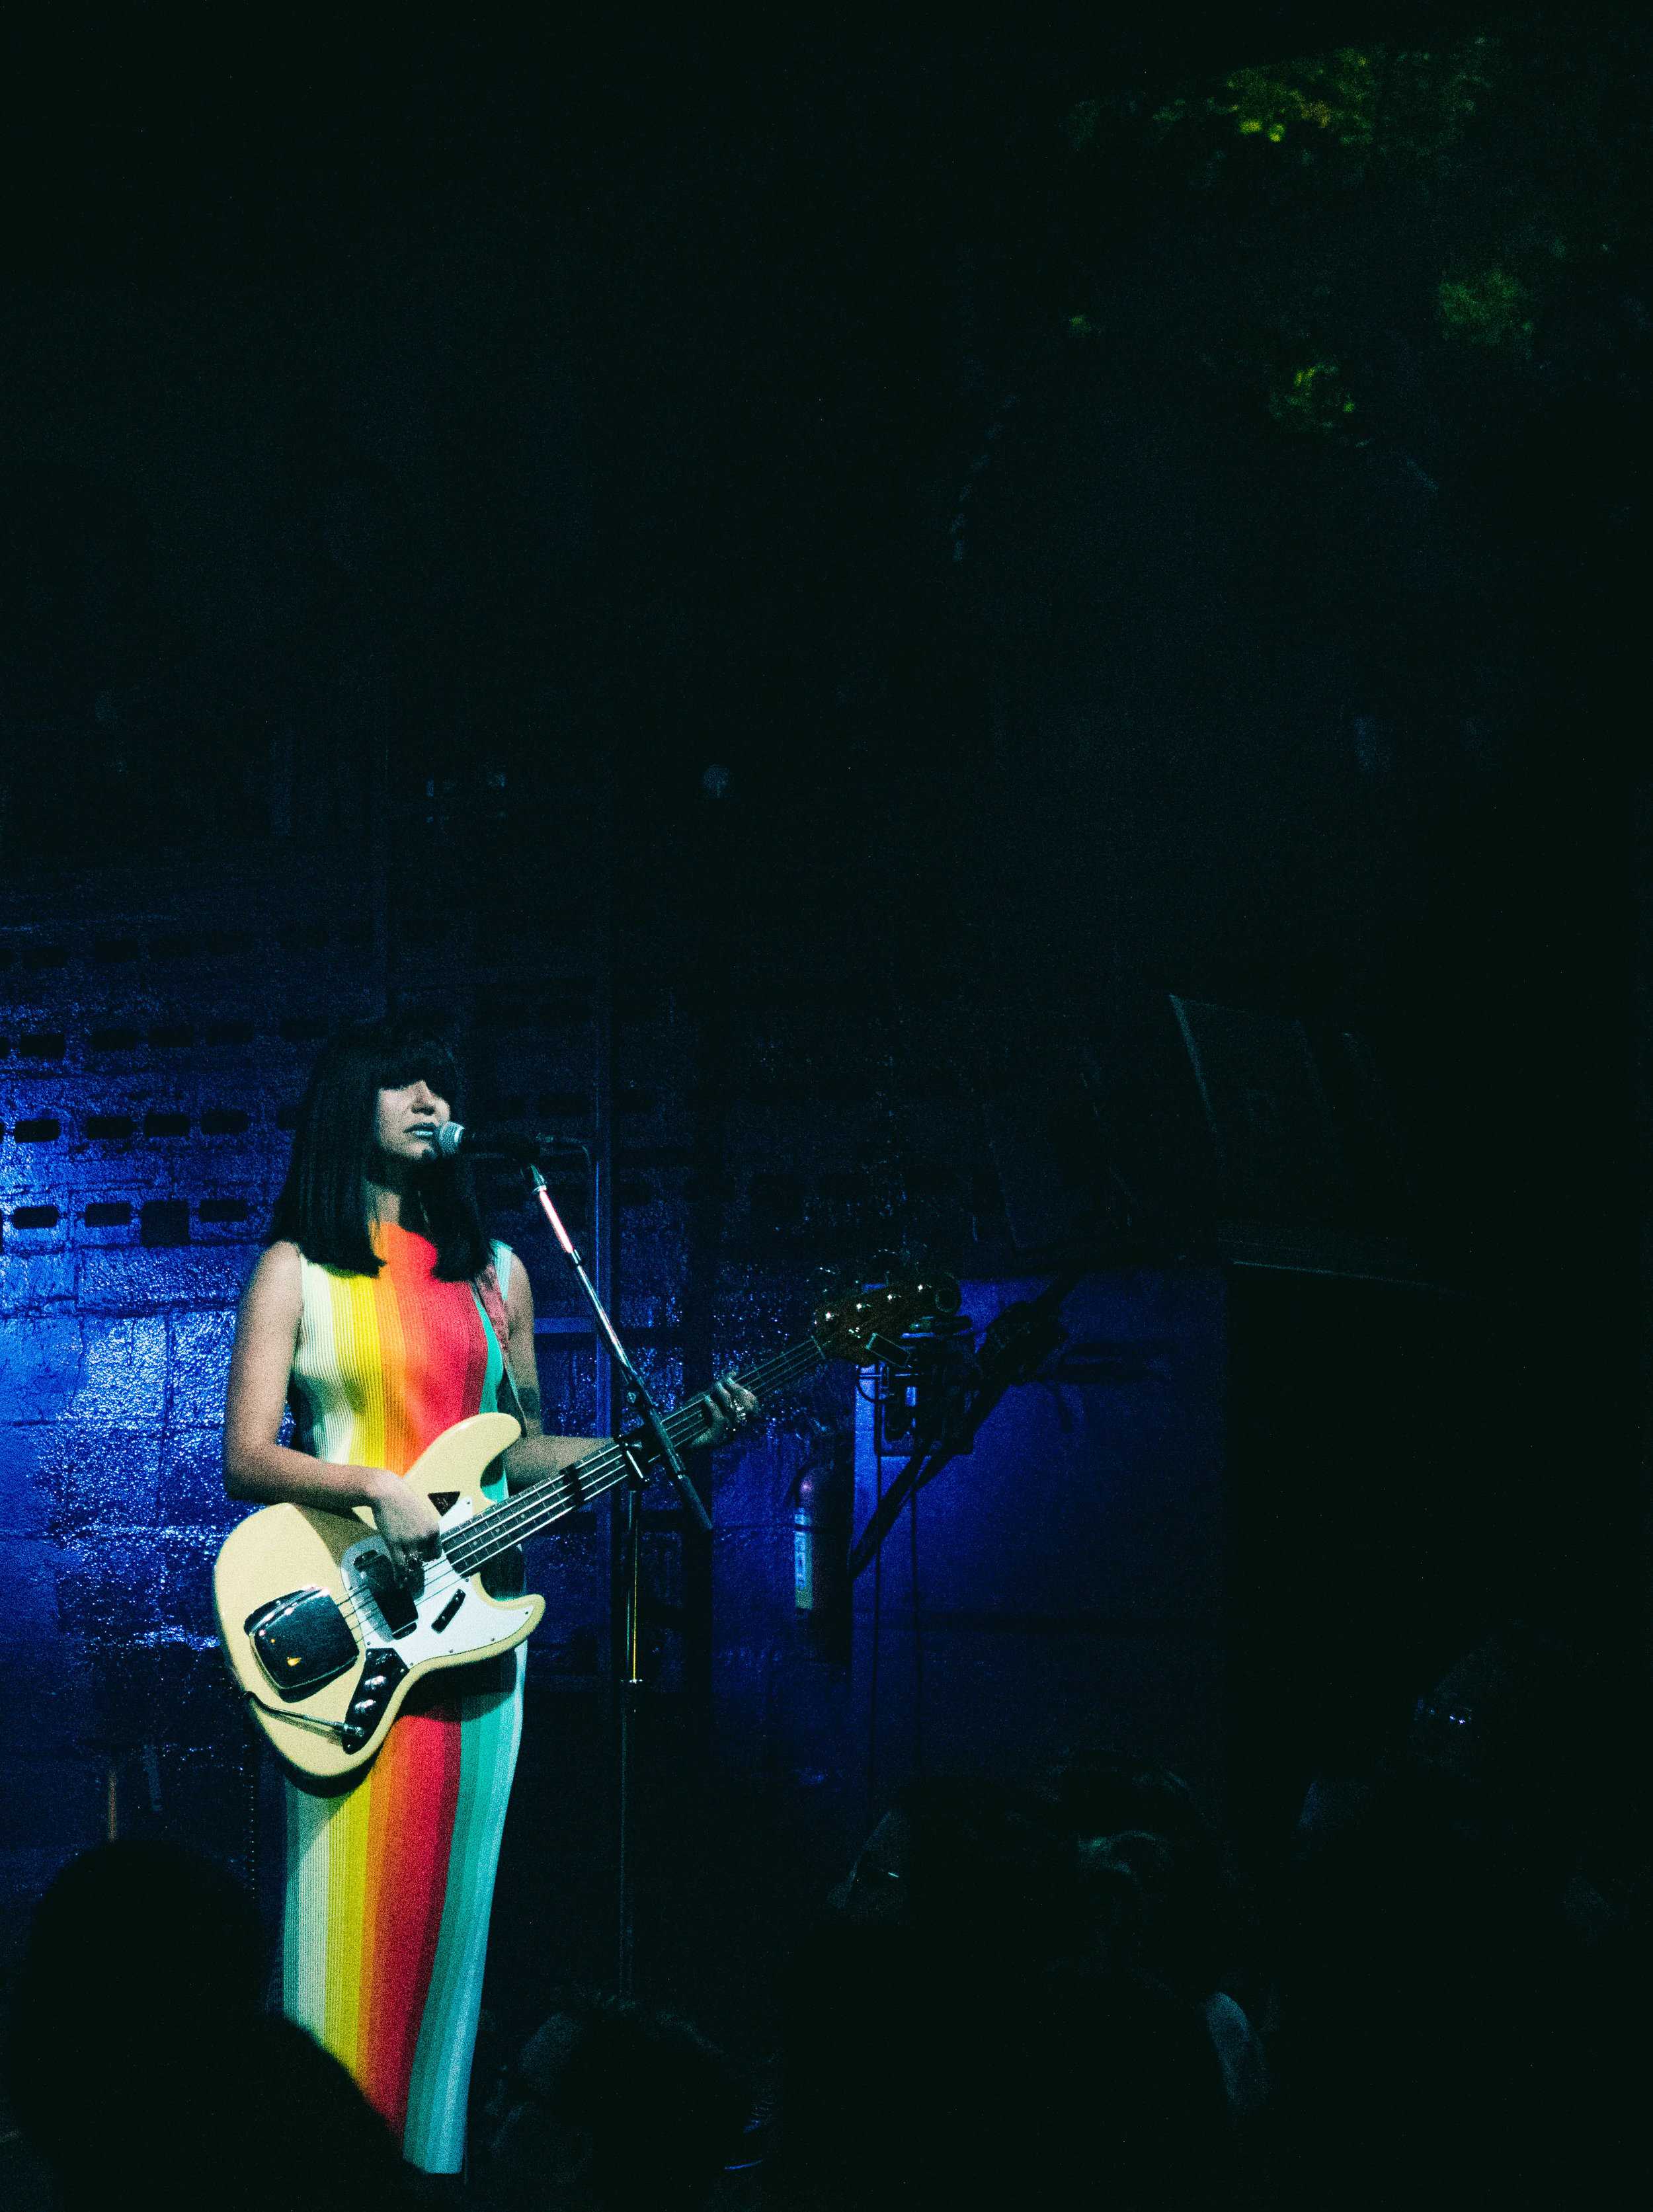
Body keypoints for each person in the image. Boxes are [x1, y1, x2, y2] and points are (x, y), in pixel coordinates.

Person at [223, 1015, 754, 2176]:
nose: (427, 1097)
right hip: (358, 1631)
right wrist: (370, 1483)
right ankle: (311, 2176)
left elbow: (515, 1449)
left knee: (447, 1950)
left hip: (474, 1647)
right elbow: (247, 1456)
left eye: (442, 1084)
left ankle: (428, 2170)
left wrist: (664, 1438)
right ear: (347, 1099)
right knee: (336, 1942)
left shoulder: (498, 1273)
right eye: (402, 1080)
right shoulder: (296, 1268)